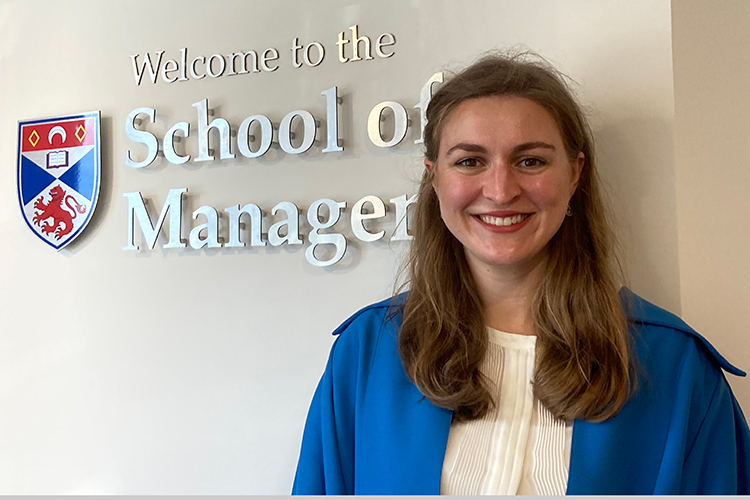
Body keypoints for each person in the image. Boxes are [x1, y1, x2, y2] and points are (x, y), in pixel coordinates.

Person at [291, 52, 750, 495]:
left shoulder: (674, 366)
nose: (500, 190)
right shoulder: (368, 353)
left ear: (575, 174)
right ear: (434, 176)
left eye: (530, 160)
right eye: (469, 161)